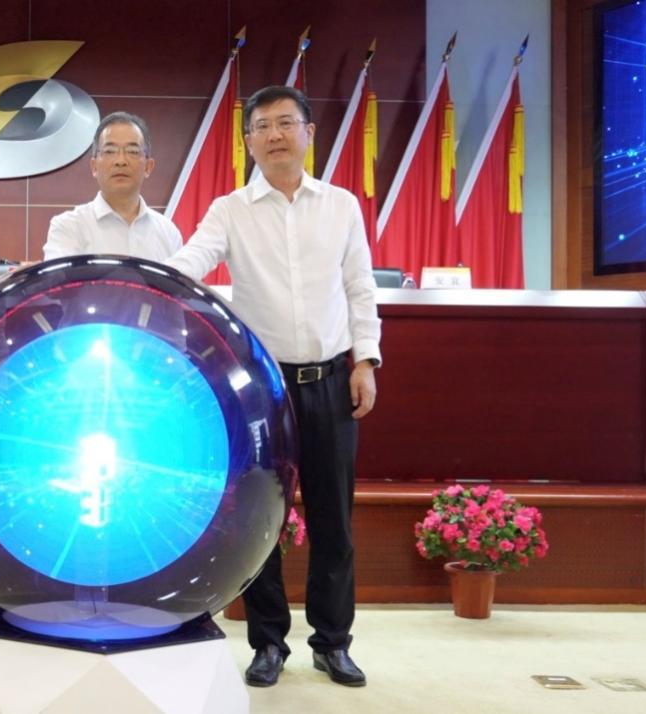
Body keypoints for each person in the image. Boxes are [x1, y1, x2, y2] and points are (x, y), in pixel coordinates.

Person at [164, 85, 382, 689]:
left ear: (309, 133)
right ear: (248, 142)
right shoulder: (230, 210)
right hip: (261, 390)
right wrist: (147, 277)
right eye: (262, 126)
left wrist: (366, 360)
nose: (275, 135)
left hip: (331, 380)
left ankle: (333, 643)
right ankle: (267, 643)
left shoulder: (341, 206)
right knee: (261, 520)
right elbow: (192, 260)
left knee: (334, 522)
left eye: (286, 123)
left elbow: (360, 286)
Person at [42, 111, 182, 261]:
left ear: (148, 167)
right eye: (110, 151)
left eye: (132, 151)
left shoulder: (168, 233)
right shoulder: (69, 227)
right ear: (94, 166)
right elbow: (58, 276)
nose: (121, 161)